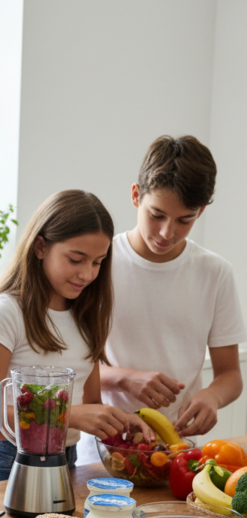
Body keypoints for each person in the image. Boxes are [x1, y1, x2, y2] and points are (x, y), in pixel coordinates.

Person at [0, 190, 151, 485]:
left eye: (97, 262)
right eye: (76, 259)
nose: (87, 274)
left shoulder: (87, 315)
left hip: (65, 460)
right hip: (6, 461)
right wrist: (68, 416)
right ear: (41, 247)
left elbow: (90, 404)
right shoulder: (7, 311)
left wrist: (119, 420)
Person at [100, 135, 246, 437]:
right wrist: (124, 379)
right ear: (136, 195)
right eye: (157, 215)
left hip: (179, 445)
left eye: (185, 220)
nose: (167, 232)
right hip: (104, 443)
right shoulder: (98, 264)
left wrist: (212, 396)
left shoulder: (215, 272)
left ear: (200, 211)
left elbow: (231, 375)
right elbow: (69, 366)